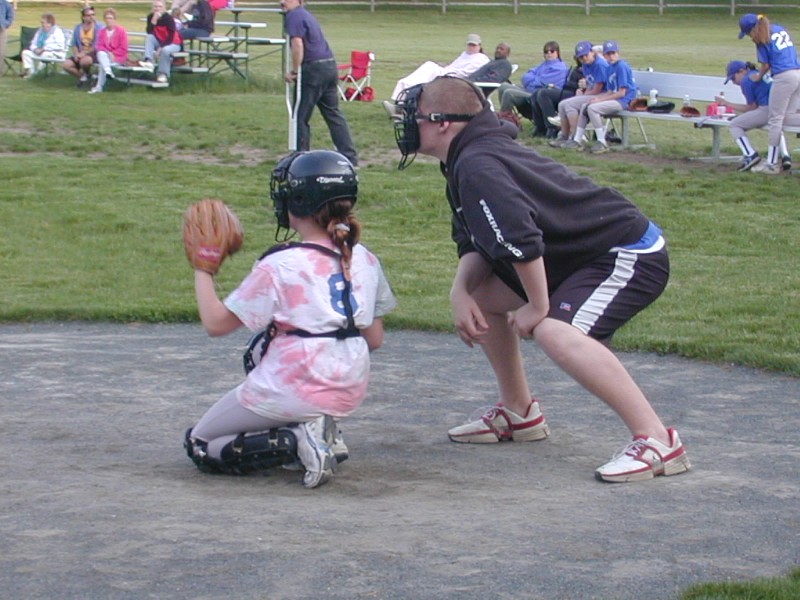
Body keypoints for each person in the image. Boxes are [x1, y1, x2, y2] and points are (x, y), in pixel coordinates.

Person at [389, 76, 691, 483]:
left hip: (627, 252)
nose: (408, 124)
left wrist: (538, 305)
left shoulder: (478, 164)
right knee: (481, 295)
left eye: (417, 117)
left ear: (444, 123)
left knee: (554, 332)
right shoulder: (463, 157)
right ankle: (519, 411)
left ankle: (659, 441)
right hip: (580, 256)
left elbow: (522, 241)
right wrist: (460, 291)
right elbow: (477, 242)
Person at [184, 150, 396, 488]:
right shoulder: (365, 258)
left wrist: (203, 267)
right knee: (271, 345)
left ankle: (298, 439)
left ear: (297, 201)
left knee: (201, 444)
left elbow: (215, 323)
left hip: (293, 385)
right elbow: (374, 339)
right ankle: (321, 429)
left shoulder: (280, 264)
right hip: (349, 387)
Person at [281, 0, 359, 166]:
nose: (282, 2)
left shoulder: (294, 15)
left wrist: (295, 71)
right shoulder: (306, 15)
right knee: (333, 114)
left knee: (300, 115)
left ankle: (299, 157)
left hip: (313, 69)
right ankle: (350, 156)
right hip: (329, 66)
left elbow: (297, 44)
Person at [738, 13, 800, 175]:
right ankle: (773, 162)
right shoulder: (779, 29)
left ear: (752, 30)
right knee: (788, 116)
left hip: (783, 77)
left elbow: (765, 65)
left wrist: (758, 76)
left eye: (748, 33)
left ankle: (771, 164)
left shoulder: (762, 38)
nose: (750, 37)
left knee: (775, 119)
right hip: (797, 73)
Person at [569, 40, 637, 154]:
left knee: (592, 108)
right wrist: (597, 99)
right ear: (604, 55)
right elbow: (610, 91)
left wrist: (600, 100)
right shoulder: (610, 67)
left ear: (618, 53)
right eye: (608, 54)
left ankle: (602, 142)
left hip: (625, 101)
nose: (611, 56)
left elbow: (622, 93)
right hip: (616, 98)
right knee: (586, 105)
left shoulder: (621, 66)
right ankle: (577, 140)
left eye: (613, 53)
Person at [389, 34, 490, 101]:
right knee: (428, 67)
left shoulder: (481, 59)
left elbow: (464, 73)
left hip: (454, 77)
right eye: (470, 45)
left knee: (429, 67)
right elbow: (453, 66)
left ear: (479, 46)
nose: (471, 47)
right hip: (448, 72)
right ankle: (404, 92)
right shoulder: (465, 54)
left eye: (474, 45)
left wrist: (446, 73)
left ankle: (404, 94)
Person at [549, 40, 608, 148]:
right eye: (581, 57)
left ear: (592, 52)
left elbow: (598, 89)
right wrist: (583, 90)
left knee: (569, 104)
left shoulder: (600, 65)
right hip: (593, 93)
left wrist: (584, 94)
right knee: (562, 104)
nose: (584, 58)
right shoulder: (585, 65)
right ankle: (564, 136)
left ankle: (577, 138)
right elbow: (591, 84)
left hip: (603, 96)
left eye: (586, 55)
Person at [496, 41, 568, 127]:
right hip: (529, 90)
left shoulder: (560, 68)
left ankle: (506, 123)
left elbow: (541, 82)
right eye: (546, 51)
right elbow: (525, 77)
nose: (549, 53)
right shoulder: (544, 64)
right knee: (503, 86)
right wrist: (534, 80)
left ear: (557, 53)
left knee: (509, 93)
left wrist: (532, 80)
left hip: (536, 96)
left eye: (552, 51)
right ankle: (505, 117)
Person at [531, 58, 585, 139]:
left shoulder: (590, 70)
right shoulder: (577, 69)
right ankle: (540, 126)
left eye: (552, 51)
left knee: (543, 93)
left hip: (575, 94)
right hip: (566, 91)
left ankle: (552, 127)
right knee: (536, 93)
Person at [138, 0, 182, 84]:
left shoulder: (168, 18)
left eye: (160, 7)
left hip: (174, 43)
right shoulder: (150, 17)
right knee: (150, 37)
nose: (157, 9)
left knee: (165, 50)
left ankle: (162, 74)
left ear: (164, 8)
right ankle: (148, 61)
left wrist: (160, 48)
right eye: (155, 6)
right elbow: (149, 32)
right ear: (152, 8)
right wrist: (153, 21)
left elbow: (171, 37)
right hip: (160, 41)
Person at [89, 8, 128, 94]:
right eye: (107, 18)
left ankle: (99, 86)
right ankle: (108, 72)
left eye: (111, 18)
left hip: (118, 57)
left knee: (103, 63)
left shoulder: (121, 31)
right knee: (101, 54)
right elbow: (99, 46)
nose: (108, 20)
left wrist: (113, 53)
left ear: (115, 19)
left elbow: (124, 47)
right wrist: (108, 52)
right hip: (106, 56)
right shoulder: (102, 32)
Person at [61, 5, 102, 88]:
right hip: (80, 52)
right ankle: (83, 77)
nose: (91, 17)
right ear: (83, 17)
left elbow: (97, 45)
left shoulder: (99, 27)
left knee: (84, 61)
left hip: (93, 53)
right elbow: (75, 43)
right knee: (66, 65)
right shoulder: (78, 28)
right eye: (89, 15)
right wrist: (76, 54)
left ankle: (87, 75)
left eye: (93, 15)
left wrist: (83, 54)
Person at [21, 13, 67, 78]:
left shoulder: (57, 31)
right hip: (39, 51)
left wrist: (44, 49)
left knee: (45, 54)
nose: (42, 24)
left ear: (49, 23)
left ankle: (39, 73)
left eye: (43, 22)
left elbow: (60, 46)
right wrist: (35, 49)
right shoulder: (40, 31)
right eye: (41, 23)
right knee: (26, 52)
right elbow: (33, 43)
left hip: (54, 53)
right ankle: (31, 72)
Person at [0, 0, 14, 77]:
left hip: (1, 30)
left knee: (1, 52)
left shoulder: (5, 4)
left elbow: (10, 17)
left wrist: (5, 24)